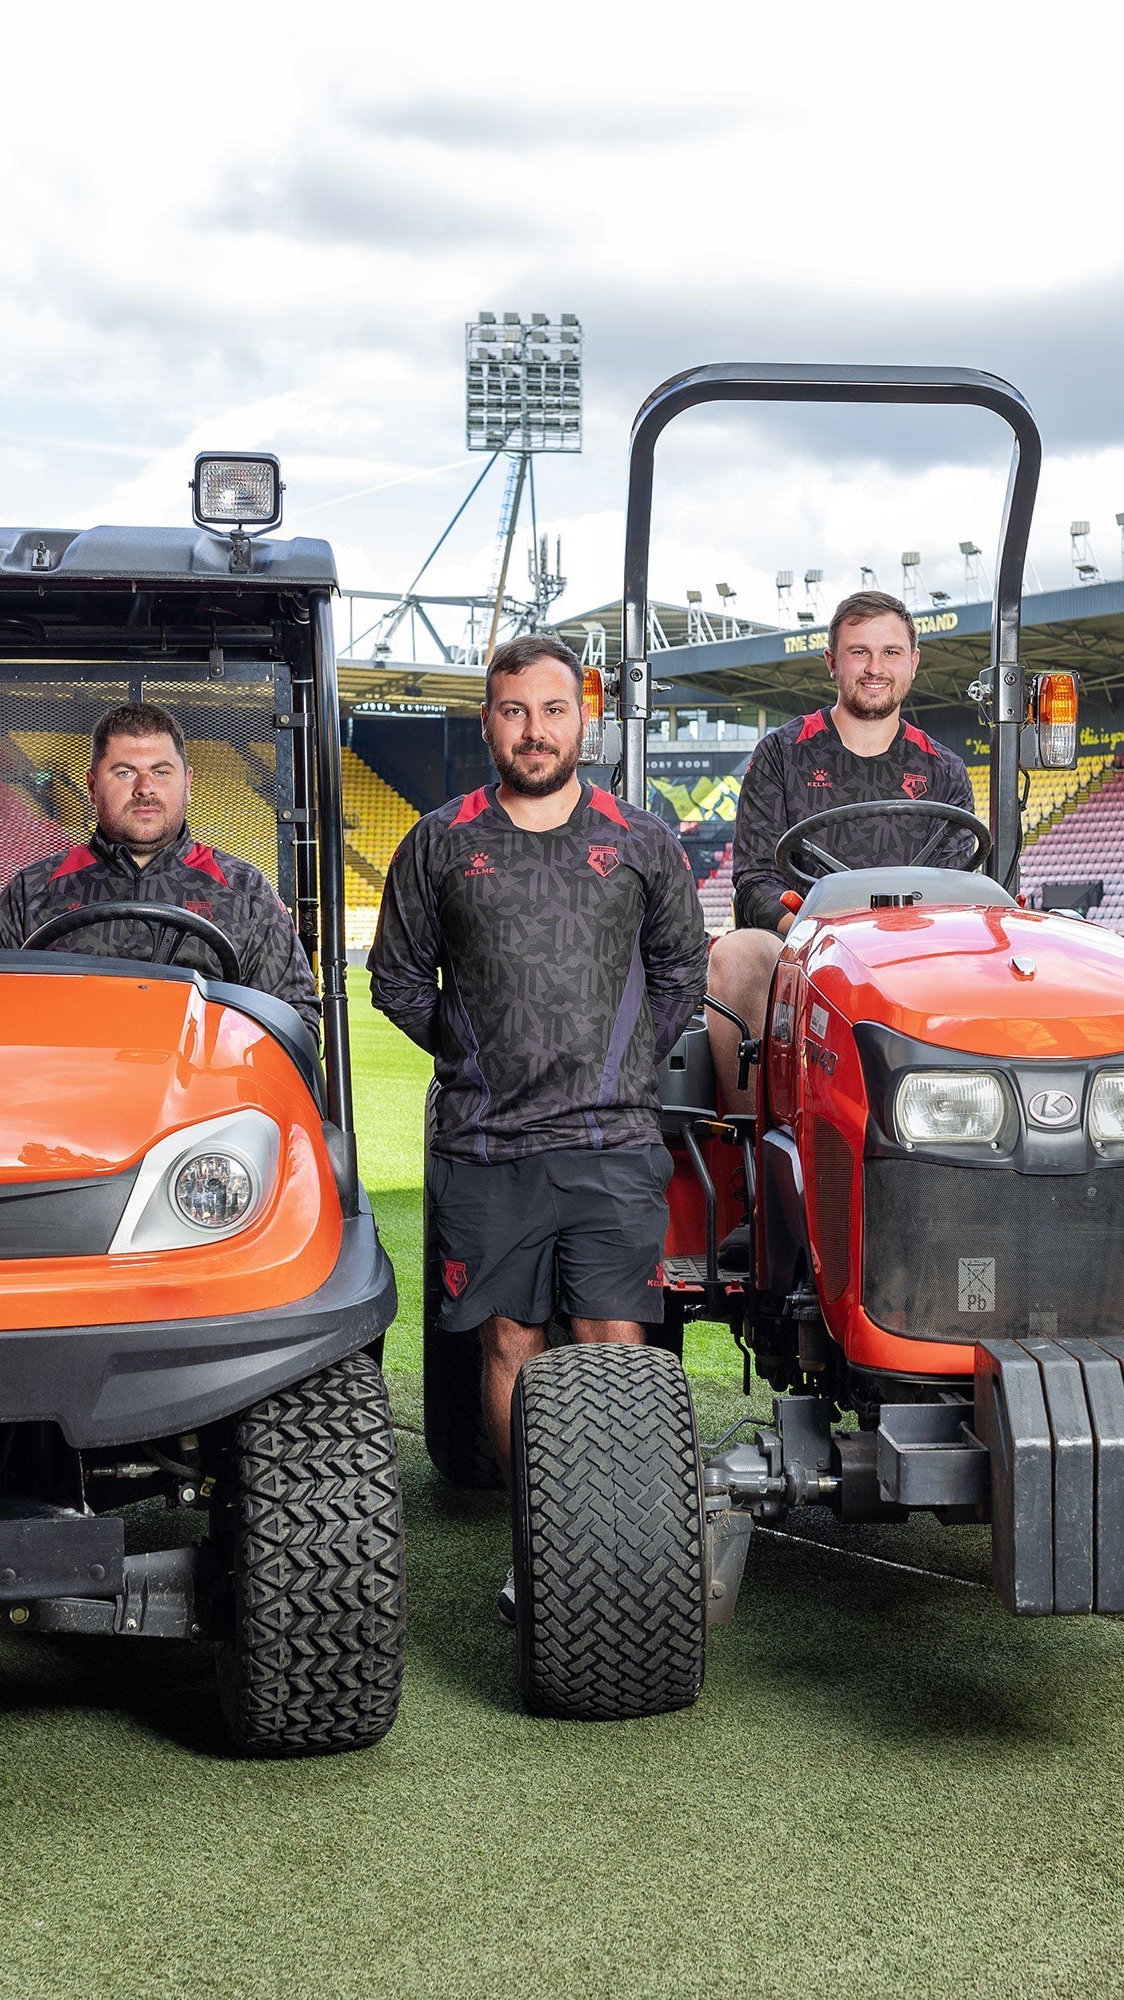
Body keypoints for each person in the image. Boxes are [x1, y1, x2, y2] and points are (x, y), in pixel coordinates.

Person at [367, 632, 707, 1610]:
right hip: (488, 1145)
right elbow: (395, 977)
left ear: (582, 720)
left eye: (553, 709)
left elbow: (683, 965)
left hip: (612, 1141)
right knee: (511, 1342)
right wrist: (475, 1055)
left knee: (613, 1334)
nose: (535, 728)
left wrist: (631, 1059)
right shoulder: (440, 838)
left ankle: (626, 1555)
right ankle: (547, 1551)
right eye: (514, 710)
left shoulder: (641, 839)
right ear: (489, 722)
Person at [707, 589, 976, 1110]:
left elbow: (962, 886)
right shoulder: (782, 755)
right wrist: (814, 931)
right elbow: (756, 881)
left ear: (914, 663)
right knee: (738, 954)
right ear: (833, 662)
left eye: (891, 652)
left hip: (915, 956)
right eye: (860, 652)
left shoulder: (944, 770)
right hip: (806, 951)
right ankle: (758, 1154)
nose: (875, 667)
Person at [0, 701, 319, 1034]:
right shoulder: (32, 891)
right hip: (67, 1083)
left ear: (187, 784)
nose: (145, 788)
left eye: (161, 771)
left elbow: (290, 1020)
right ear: (93, 787)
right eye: (125, 772)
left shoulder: (245, 891)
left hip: (200, 1085)